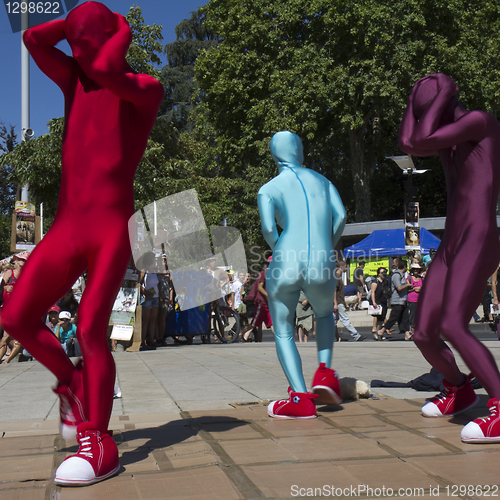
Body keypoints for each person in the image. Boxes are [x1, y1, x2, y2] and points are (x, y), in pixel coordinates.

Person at [0, 2, 164, 485]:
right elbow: (32, 40)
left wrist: (119, 34)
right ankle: (72, 383)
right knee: (14, 317)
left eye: (88, 40)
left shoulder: (145, 90)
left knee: (92, 327)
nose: (79, 51)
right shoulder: (77, 79)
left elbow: (110, 72)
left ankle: (99, 441)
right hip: (69, 228)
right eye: (75, 43)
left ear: (112, 41)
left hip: (110, 231)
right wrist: (76, 31)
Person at [399, 73, 500, 443]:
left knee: (455, 325)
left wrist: (439, 96)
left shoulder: (479, 122)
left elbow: (420, 137)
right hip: (450, 243)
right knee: (423, 333)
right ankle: (460, 388)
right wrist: (417, 96)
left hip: (479, 237)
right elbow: (409, 141)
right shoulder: (449, 139)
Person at [258, 131, 346, 419]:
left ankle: (299, 397)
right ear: (300, 151)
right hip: (322, 258)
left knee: (283, 329)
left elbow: (269, 230)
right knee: (324, 314)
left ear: (274, 154)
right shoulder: (324, 181)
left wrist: (280, 250)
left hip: (286, 258)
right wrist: (326, 245)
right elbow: (341, 216)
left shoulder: (268, 188)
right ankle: (324, 372)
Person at [377, 260, 412, 339]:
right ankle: (382, 330)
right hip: (397, 301)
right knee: (394, 317)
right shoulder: (396, 275)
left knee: (405, 317)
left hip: (403, 300)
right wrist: (407, 285)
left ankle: (407, 334)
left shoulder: (402, 275)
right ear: (404, 267)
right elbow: (399, 288)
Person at [334, 261, 365, 342]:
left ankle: (335, 338)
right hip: (338, 302)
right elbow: (334, 291)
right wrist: (335, 304)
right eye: (345, 267)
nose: (346, 268)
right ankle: (356, 336)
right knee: (345, 319)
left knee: (333, 321)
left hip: (338, 301)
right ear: (341, 267)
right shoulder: (337, 277)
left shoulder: (338, 277)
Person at [139, 252, 160, 349]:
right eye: (153, 258)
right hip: (147, 298)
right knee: (146, 320)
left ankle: (152, 340)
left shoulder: (155, 271)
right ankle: (142, 341)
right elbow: (138, 284)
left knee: (153, 320)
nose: (155, 260)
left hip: (155, 298)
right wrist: (146, 292)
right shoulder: (144, 271)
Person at [370, 267, 390, 340]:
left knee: (382, 319)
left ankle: (379, 333)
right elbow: (372, 292)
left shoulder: (385, 282)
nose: (383, 274)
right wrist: (374, 302)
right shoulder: (375, 282)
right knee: (379, 318)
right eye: (381, 273)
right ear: (378, 274)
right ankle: (377, 333)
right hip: (378, 301)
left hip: (384, 301)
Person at [406, 263, 424, 341]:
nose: (416, 271)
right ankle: (413, 332)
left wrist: (419, 289)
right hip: (412, 299)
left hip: (420, 300)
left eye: (417, 269)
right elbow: (407, 289)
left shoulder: (422, 279)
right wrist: (414, 289)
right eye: (414, 269)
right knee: (413, 316)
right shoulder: (409, 278)